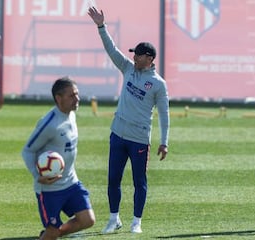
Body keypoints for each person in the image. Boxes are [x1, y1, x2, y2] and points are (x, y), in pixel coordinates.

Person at [88, 7, 170, 234]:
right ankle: (114, 219)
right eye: (134, 54)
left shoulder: (158, 84)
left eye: (138, 55)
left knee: (139, 182)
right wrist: (101, 27)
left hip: (139, 140)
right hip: (118, 134)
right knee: (113, 179)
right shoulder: (127, 68)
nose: (134, 57)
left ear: (150, 59)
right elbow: (111, 49)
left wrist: (164, 141)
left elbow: (164, 114)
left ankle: (137, 221)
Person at [21, 77, 95, 240]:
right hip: (50, 190)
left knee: (88, 220)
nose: (77, 99)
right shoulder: (49, 124)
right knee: (52, 230)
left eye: (77, 94)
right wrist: (37, 175)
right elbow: (27, 151)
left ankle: (51, 235)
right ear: (58, 98)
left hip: (71, 182)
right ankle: (51, 234)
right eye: (72, 96)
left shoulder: (71, 114)